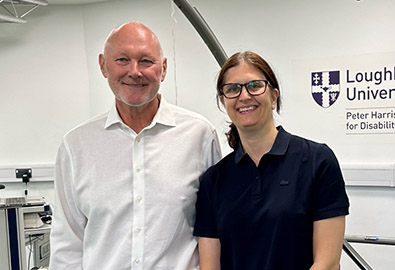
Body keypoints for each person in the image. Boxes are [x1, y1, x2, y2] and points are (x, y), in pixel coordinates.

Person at [49, 22, 221, 269]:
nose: (134, 71)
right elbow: (68, 245)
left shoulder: (199, 135)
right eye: (122, 59)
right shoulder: (76, 146)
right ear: (102, 65)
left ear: (163, 69)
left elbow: (214, 229)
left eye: (146, 61)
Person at [193, 51, 350, 270]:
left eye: (255, 86)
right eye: (232, 89)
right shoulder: (214, 180)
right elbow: (210, 266)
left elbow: (328, 263)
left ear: (274, 96)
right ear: (223, 101)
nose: (244, 96)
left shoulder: (317, 161)